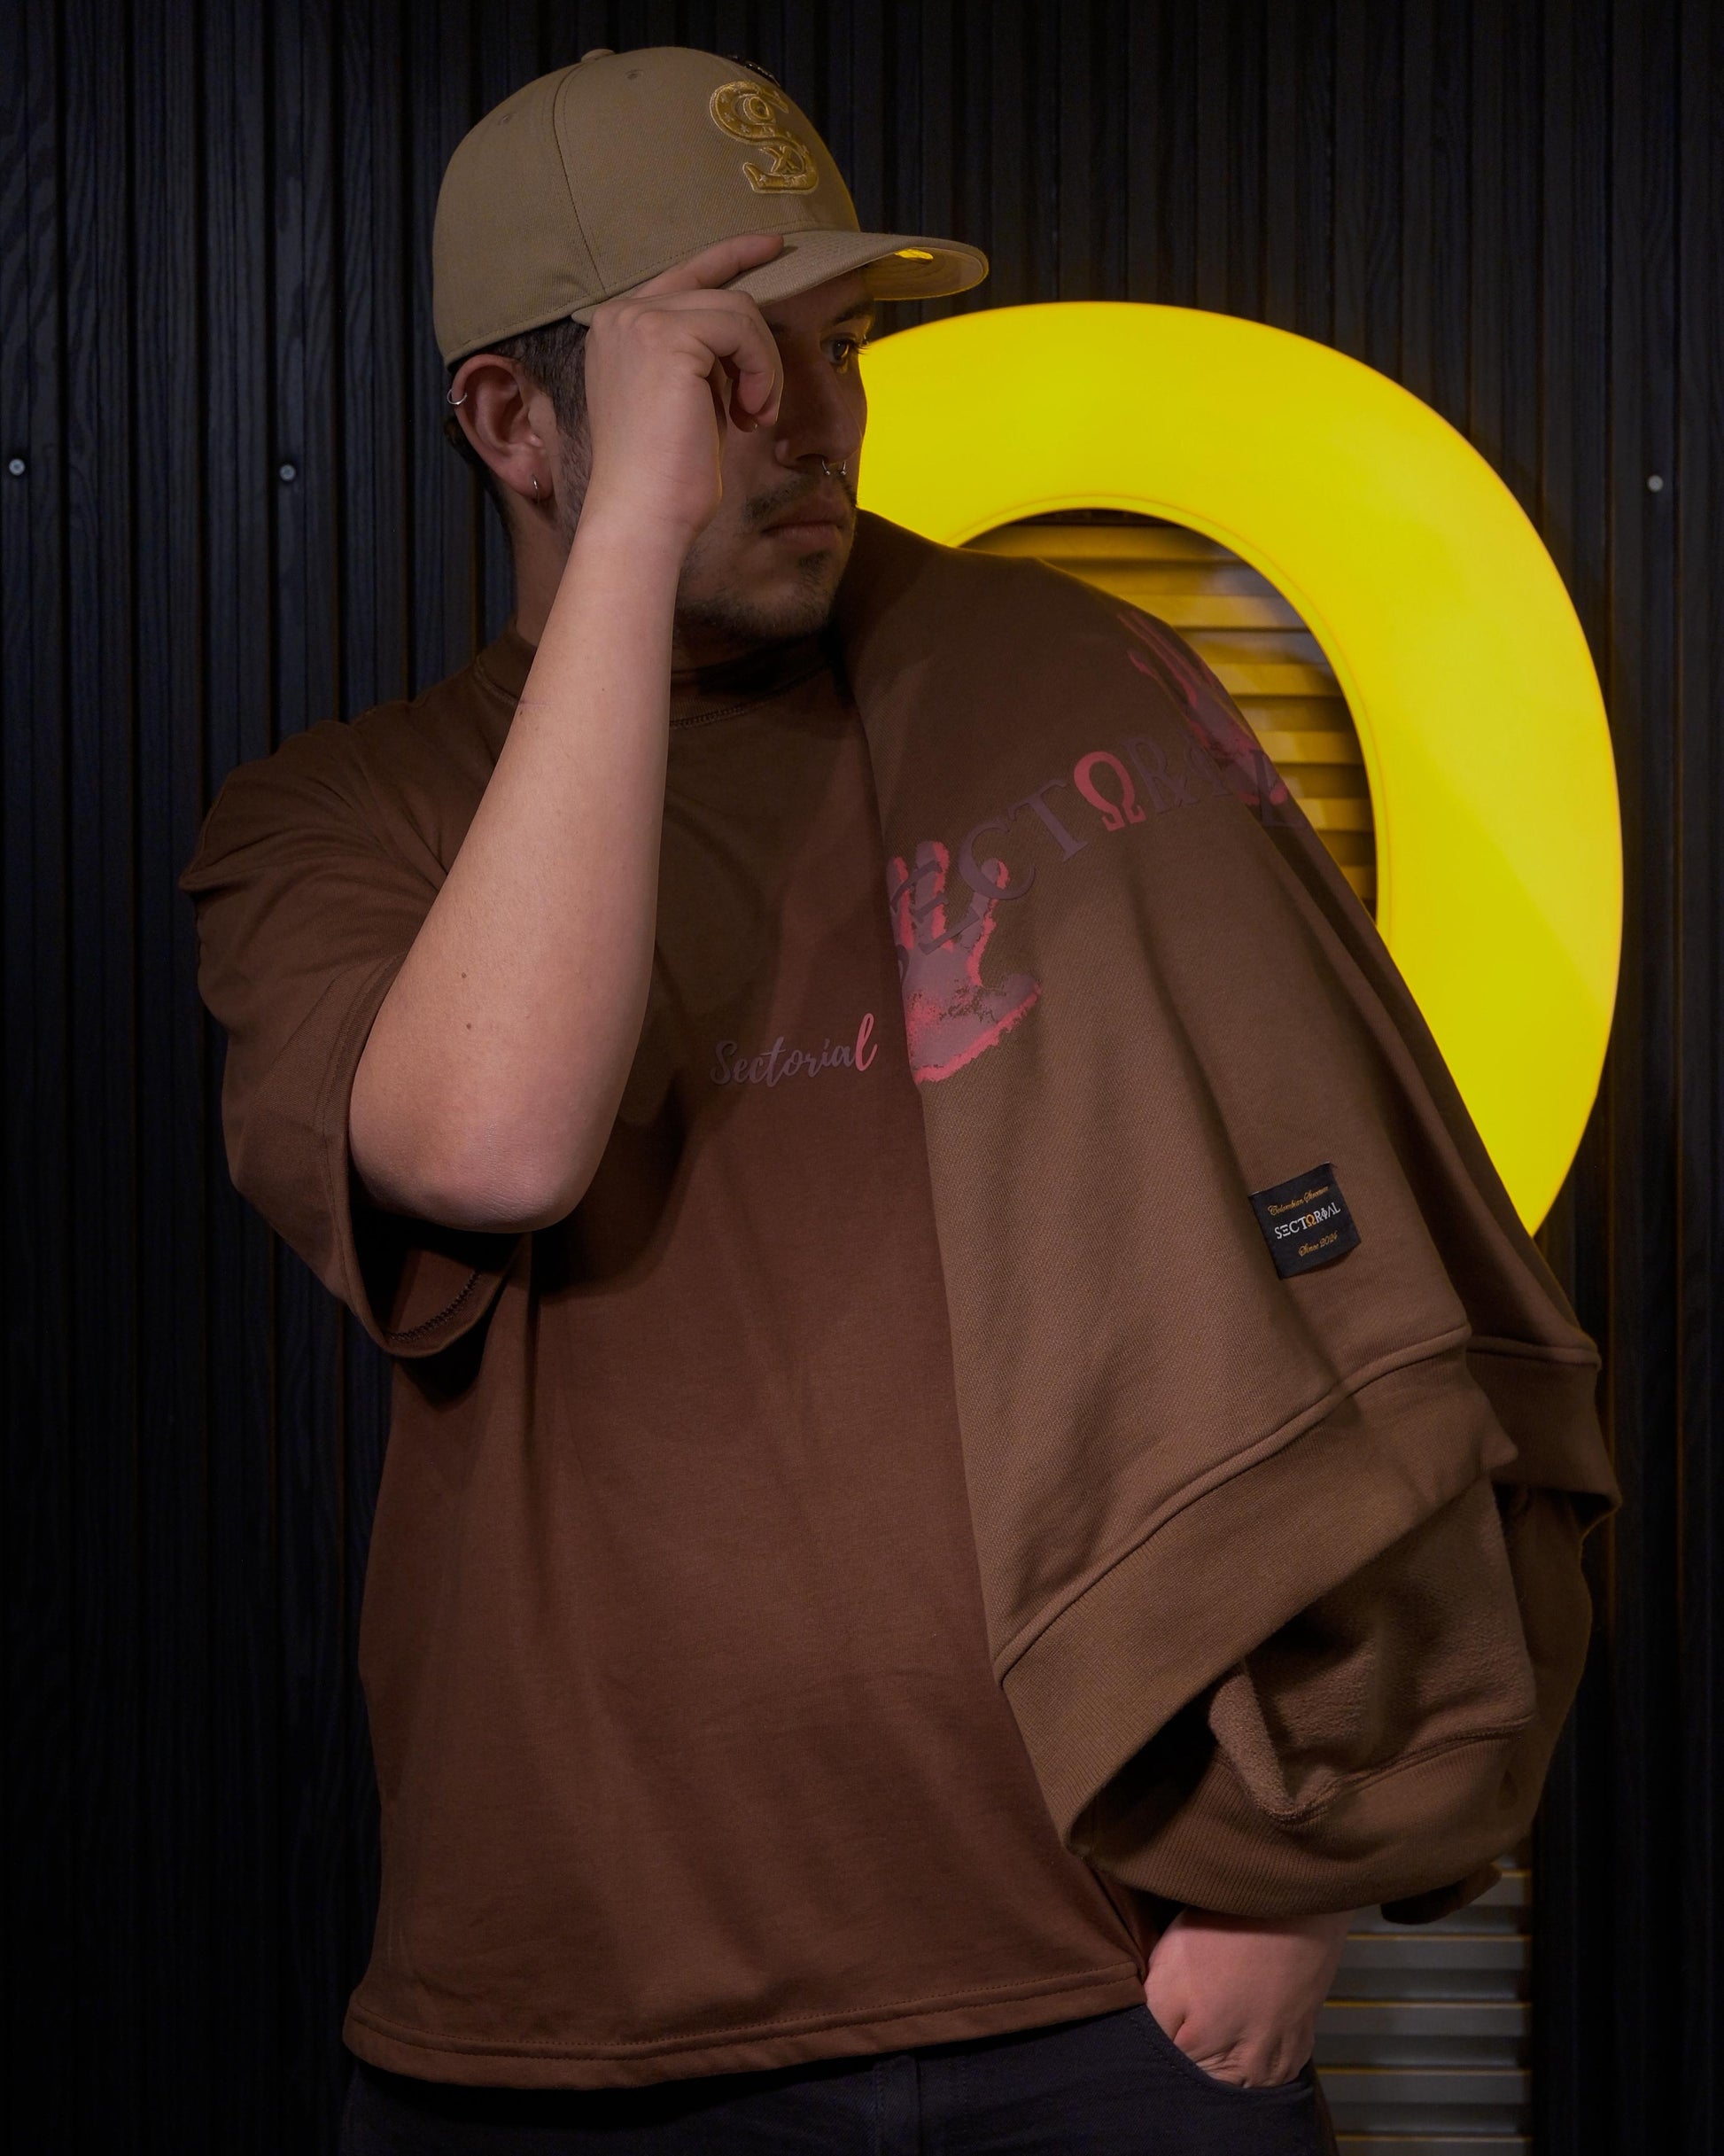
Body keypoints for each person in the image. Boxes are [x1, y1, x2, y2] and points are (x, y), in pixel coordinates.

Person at [182, 46, 1612, 2156]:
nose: (818, 419)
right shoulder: (340, 820)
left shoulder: (1062, 683)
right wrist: (637, 527)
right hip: (571, 2037)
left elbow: (1369, 1280)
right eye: (728, 368)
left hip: (1098, 2007)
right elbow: (491, 1144)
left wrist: (1294, 1870)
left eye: (839, 346)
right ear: (513, 421)